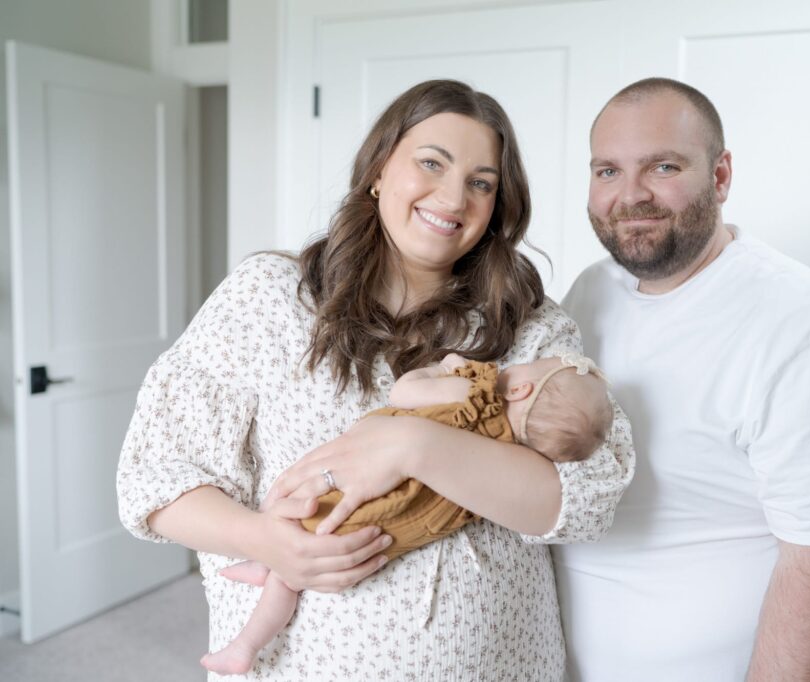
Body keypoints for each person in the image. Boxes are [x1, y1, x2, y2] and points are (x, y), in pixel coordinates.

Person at [117, 79, 634, 681]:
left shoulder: (531, 329)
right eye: (431, 163)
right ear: (379, 170)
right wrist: (268, 542)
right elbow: (155, 477)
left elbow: (586, 500)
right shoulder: (269, 298)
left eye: (481, 183)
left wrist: (415, 447)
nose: (453, 196)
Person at [553, 77, 810, 681]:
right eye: (607, 171)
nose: (630, 195)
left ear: (721, 176)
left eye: (663, 166)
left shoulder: (797, 318)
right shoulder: (588, 293)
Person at [201, 351, 614, 674]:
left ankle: (248, 642)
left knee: (304, 543)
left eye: (530, 364)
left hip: (368, 501)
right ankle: (269, 571)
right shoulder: (507, 453)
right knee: (304, 552)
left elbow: (404, 393)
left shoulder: (472, 394)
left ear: (521, 390)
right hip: (405, 524)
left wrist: (443, 370)